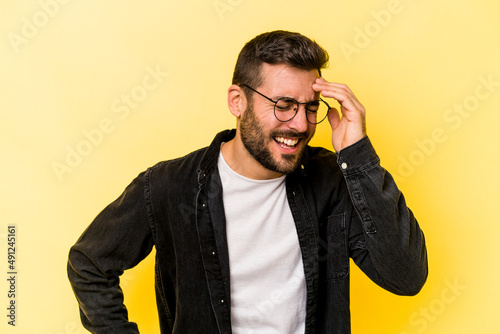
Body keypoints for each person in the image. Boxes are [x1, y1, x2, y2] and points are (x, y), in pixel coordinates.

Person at [67, 30, 428, 334]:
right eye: (284, 104)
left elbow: (406, 276)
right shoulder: (168, 186)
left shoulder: (332, 181)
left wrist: (359, 155)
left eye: (311, 107)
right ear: (237, 101)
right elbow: (90, 263)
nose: (301, 125)